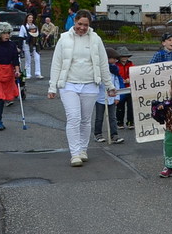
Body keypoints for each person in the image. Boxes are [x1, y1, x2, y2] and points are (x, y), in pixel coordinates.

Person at [47, 10, 115, 167]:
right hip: (69, 84)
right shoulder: (64, 39)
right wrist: (52, 87)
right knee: (74, 118)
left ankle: (83, 149)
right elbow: (56, 64)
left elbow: (103, 64)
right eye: (79, 24)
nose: (82, 28)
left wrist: (109, 85)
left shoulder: (96, 39)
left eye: (86, 25)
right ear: (74, 22)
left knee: (85, 120)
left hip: (90, 84)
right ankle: (75, 153)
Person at [93, 48, 125, 144]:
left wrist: (117, 97)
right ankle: (98, 134)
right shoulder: (99, 69)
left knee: (112, 117)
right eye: (113, 58)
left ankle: (114, 135)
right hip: (100, 97)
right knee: (99, 117)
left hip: (111, 97)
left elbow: (116, 83)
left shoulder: (115, 70)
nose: (115, 61)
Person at [114, 48, 134, 128]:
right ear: (119, 57)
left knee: (131, 107)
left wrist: (130, 79)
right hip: (120, 89)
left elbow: (134, 73)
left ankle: (130, 122)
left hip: (129, 88)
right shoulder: (116, 65)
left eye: (126, 56)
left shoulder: (131, 64)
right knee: (120, 107)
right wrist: (121, 80)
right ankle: (120, 122)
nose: (124, 58)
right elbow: (115, 75)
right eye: (122, 56)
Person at [19, 13, 43, 78]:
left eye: (31, 18)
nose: (30, 19)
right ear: (27, 18)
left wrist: (40, 45)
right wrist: (20, 47)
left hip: (35, 44)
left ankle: (38, 73)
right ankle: (28, 74)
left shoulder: (35, 26)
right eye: (29, 18)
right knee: (28, 59)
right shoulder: (23, 27)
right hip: (26, 44)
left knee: (37, 58)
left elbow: (38, 36)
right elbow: (21, 37)